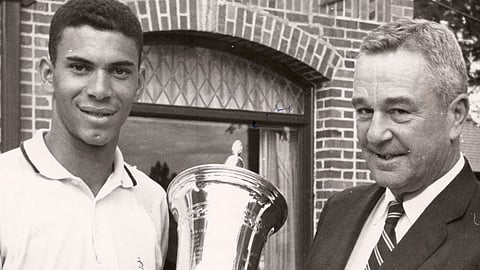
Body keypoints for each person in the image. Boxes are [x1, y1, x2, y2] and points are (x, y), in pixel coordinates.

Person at [0, 0, 169, 269]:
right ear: (47, 75)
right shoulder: (4, 189)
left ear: (139, 83)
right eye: (80, 67)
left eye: (119, 71)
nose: (100, 90)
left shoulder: (153, 200)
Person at [306, 18, 480, 269]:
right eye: (365, 110)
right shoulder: (339, 209)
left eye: (398, 111)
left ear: (456, 115)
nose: (375, 134)